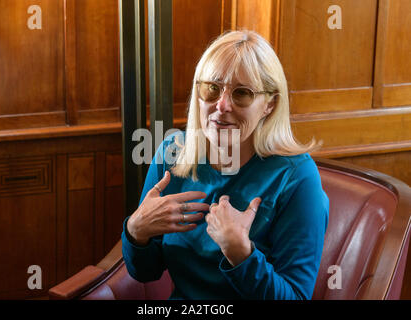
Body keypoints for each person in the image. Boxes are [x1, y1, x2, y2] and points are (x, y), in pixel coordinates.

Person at [121, 30, 329, 300]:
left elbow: (296, 297)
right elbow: (145, 272)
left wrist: (241, 254)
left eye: (241, 93)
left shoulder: (297, 177)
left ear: (270, 104)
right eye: (212, 88)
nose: (222, 105)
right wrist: (136, 231)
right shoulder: (172, 153)